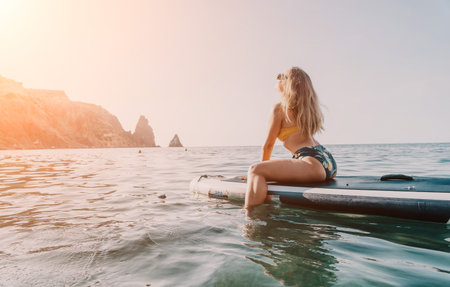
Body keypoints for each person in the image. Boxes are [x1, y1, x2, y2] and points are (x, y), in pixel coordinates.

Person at [245, 67, 337, 208]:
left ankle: (252, 223)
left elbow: (268, 145)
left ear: (286, 83)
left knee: (254, 170)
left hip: (311, 163)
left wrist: (262, 174)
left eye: (280, 77)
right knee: (259, 170)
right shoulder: (305, 109)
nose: (277, 79)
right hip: (327, 160)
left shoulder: (279, 109)